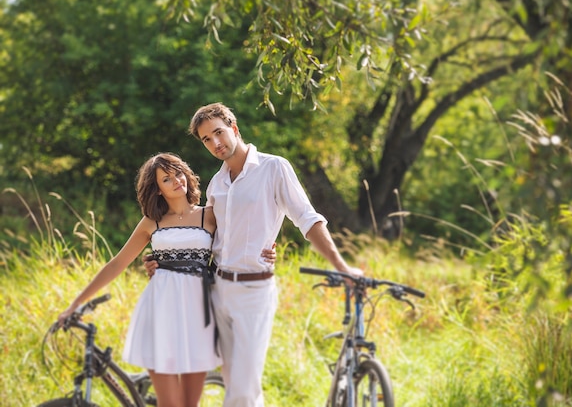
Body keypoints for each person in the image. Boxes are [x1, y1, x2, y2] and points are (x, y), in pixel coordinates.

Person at [145, 103, 363, 407]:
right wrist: (163, 260)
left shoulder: (274, 167)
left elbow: (307, 219)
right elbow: (203, 235)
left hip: (254, 291)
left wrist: (340, 266)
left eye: (219, 133)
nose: (216, 143)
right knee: (233, 383)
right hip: (216, 290)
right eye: (207, 139)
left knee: (243, 390)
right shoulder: (216, 184)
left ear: (234, 128)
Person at [57, 152, 276, 407]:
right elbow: (117, 263)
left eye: (178, 173)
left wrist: (268, 249)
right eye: (167, 179)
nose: (176, 181)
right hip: (160, 310)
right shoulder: (152, 222)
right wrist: (74, 304)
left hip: (199, 315)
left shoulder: (210, 215)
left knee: (189, 404)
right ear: (157, 189)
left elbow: (244, 234)